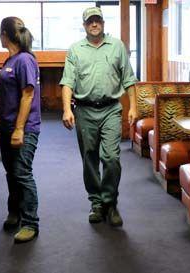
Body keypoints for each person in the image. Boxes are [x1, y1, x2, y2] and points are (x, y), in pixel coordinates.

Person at [59, 7, 138, 227]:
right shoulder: (75, 49)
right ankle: (96, 202)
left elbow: (129, 79)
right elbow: (67, 82)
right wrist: (67, 109)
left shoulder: (117, 46)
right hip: (84, 110)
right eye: (90, 21)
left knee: (111, 158)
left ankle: (110, 202)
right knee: (89, 157)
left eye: (98, 20)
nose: (94, 24)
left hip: (111, 109)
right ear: (84, 25)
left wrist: (134, 107)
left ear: (103, 23)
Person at [0, 17, 41, 243]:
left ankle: (30, 222)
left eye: (0, 32)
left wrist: (19, 129)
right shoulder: (10, 59)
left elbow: (28, 94)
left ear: (5, 34)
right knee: (11, 172)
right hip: (5, 127)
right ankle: (14, 212)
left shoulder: (24, 60)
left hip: (24, 128)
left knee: (22, 172)